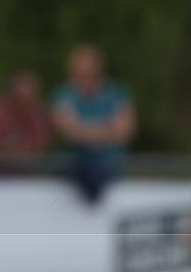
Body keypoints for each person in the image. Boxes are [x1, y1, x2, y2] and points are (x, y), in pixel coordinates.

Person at [51, 44, 135, 203]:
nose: (84, 78)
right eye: (79, 73)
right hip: (75, 164)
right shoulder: (63, 94)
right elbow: (69, 133)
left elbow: (124, 132)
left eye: (88, 73)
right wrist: (106, 130)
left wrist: (81, 129)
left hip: (109, 167)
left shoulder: (117, 93)